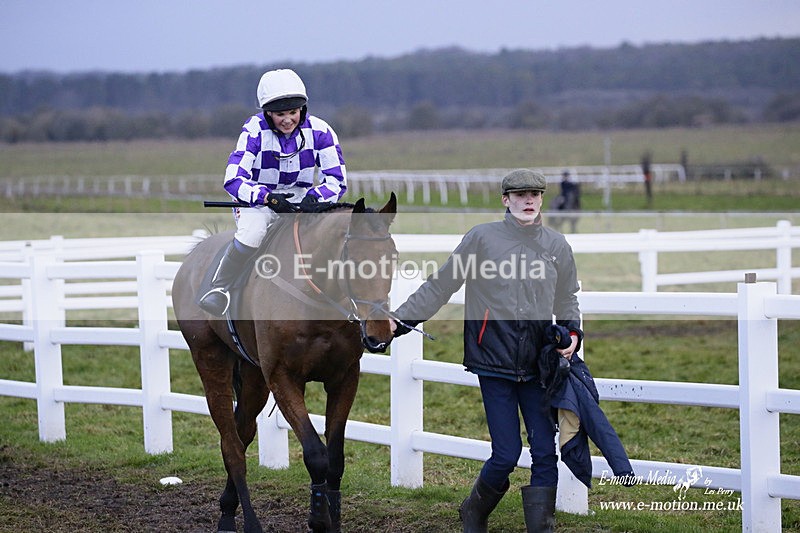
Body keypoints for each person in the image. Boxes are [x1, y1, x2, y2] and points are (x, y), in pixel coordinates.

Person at [391, 169, 583, 532]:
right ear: (506, 200)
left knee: (545, 452)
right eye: (520, 195)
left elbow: (566, 297)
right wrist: (399, 322)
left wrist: (572, 332)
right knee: (506, 453)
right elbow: (441, 285)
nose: (528, 201)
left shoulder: (557, 245)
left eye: (535, 194)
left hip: (539, 365)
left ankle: (541, 528)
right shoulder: (481, 239)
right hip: (494, 362)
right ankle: (473, 512)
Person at [199, 68, 347, 316]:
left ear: (302, 109)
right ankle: (220, 288)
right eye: (280, 114)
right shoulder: (254, 130)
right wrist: (266, 197)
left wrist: (314, 197)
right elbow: (233, 179)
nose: (288, 120)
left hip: (302, 199)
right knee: (253, 232)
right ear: (267, 113)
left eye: (293, 112)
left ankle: (346, 295)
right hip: (258, 202)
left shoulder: (321, 131)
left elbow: (337, 180)